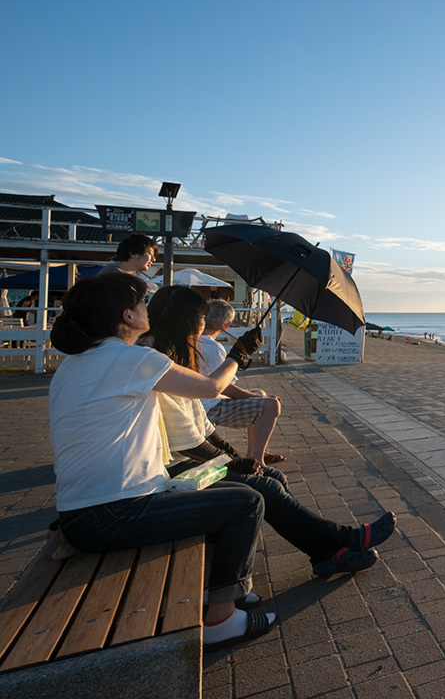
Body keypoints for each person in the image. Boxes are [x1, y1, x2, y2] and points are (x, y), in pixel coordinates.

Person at [47, 272, 274, 646]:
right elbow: (212, 388)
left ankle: (226, 589)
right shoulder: (131, 359)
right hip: (115, 512)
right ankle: (221, 621)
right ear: (127, 317)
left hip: (79, 514)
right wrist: (240, 353)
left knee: (221, 493)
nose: (146, 307)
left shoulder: (74, 364)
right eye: (141, 302)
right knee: (246, 503)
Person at [146, 285, 394, 576]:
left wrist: (237, 457)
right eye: (198, 325)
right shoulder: (153, 358)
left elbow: (200, 424)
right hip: (168, 471)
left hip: (176, 463)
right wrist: (236, 462)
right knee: (263, 486)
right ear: (185, 323)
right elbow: (191, 430)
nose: (200, 333)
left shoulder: (167, 354)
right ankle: (340, 540)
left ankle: (326, 552)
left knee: (271, 477)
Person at [196, 299, 285, 465]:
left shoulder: (195, 340)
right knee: (270, 405)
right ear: (227, 326)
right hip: (210, 406)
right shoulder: (212, 347)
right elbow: (224, 387)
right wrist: (257, 399)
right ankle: (257, 462)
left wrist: (256, 396)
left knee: (260, 394)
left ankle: (256, 452)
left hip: (202, 400)